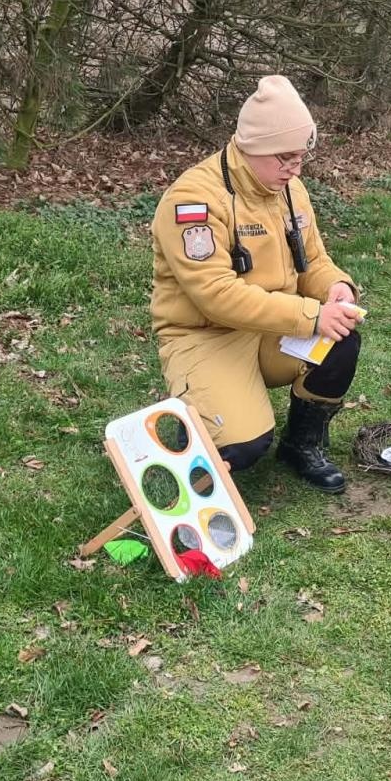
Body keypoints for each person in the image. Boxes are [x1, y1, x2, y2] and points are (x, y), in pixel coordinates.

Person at [150, 75, 364, 493]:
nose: (295, 169)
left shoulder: (290, 189)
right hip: (205, 335)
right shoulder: (192, 201)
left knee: (341, 342)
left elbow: (314, 261)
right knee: (243, 447)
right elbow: (216, 297)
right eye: (285, 158)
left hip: (272, 328)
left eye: (301, 157)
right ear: (252, 147)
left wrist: (336, 287)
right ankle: (199, 412)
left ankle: (301, 444)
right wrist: (310, 314)